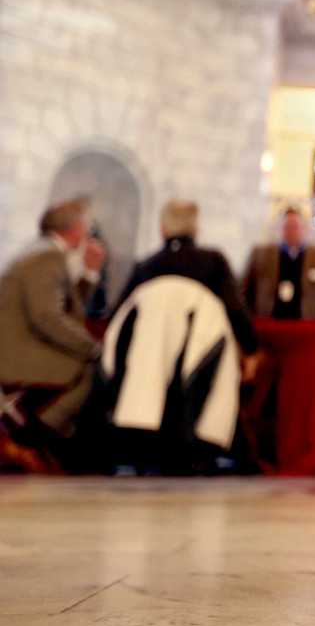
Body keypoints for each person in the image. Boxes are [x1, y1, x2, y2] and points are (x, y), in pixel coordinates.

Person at [95, 200, 261, 475]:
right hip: (200, 362)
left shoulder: (146, 266)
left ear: (162, 229)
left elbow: (118, 315)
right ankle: (221, 451)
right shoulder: (213, 263)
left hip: (145, 367)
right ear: (196, 230)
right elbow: (235, 311)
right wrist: (251, 350)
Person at [0, 200, 105, 471]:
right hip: (20, 357)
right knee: (95, 366)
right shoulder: (47, 257)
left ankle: (43, 436)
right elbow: (46, 317)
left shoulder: (42, 252)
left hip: (24, 349)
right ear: (76, 228)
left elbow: (66, 311)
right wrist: (95, 348)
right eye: (88, 226)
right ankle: (36, 436)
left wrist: (90, 272)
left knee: (90, 360)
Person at [242, 208, 315, 320]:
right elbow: (244, 291)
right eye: (287, 227)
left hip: (306, 326)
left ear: (304, 228)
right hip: (268, 325)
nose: (291, 231)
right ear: (280, 228)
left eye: (295, 226)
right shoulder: (260, 256)